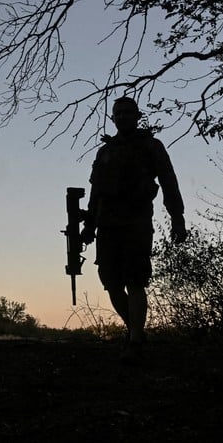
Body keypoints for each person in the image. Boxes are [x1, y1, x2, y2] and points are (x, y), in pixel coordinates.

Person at [81, 96, 187, 363]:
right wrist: (89, 225)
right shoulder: (105, 151)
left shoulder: (151, 146)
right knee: (111, 282)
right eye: (118, 113)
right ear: (113, 118)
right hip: (107, 224)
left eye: (129, 112)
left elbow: (169, 182)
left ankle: (136, 341)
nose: (123, 117)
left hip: (137, 222)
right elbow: (96, 192)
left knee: (135, 280)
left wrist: (178, 218)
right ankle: (136, 331)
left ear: (138, 115)